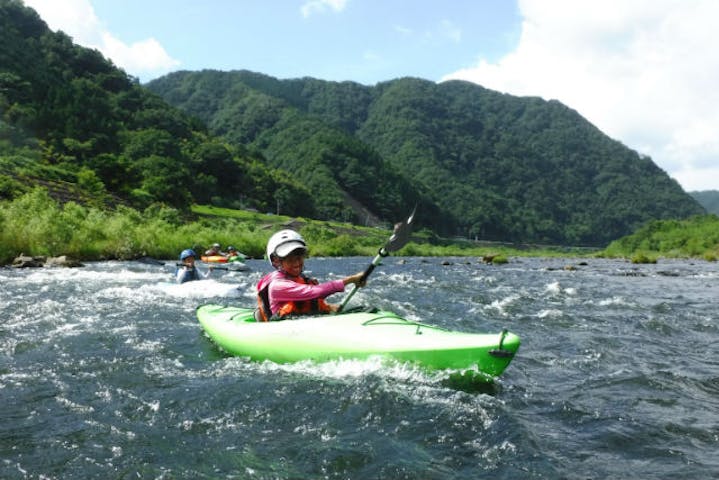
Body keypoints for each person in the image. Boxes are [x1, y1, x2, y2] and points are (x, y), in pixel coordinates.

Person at [255, 229, 366, 321]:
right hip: (285, 331)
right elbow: (318, 292)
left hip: (306, 323)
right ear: (276, 261)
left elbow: (313, 303)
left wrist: (329, 308)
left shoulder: (302, 280)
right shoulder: (277, 286)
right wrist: (351, 279)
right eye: (289, 258)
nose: (296, 262)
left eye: (299, 255)